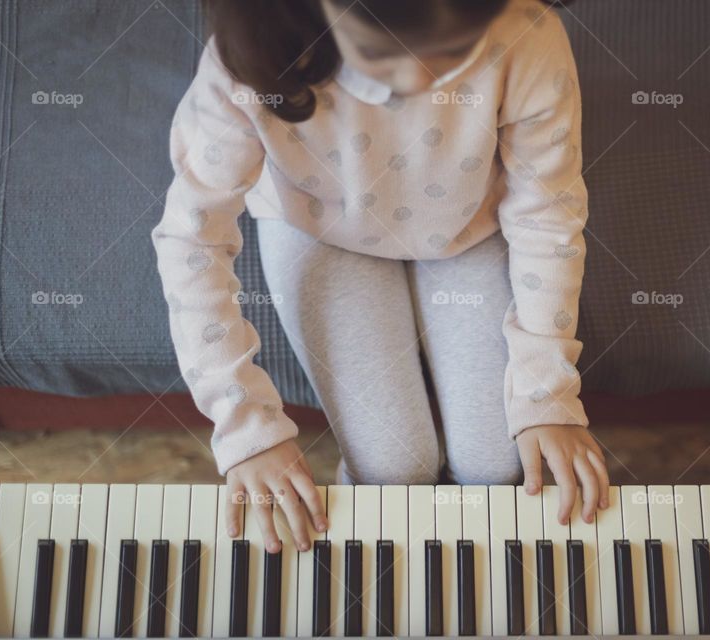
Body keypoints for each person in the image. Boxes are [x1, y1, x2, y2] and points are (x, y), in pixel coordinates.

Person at [152, 0, 610, 554]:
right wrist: (245, 426)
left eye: (453, 51)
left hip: (466, 224)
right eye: (377, 53)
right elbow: (192, 239)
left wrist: (547, 392)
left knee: (498, 465)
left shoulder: (525, 31)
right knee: (393, 471)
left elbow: (548, 216)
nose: (418, 83)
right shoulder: (249, 64)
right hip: (319, 225)